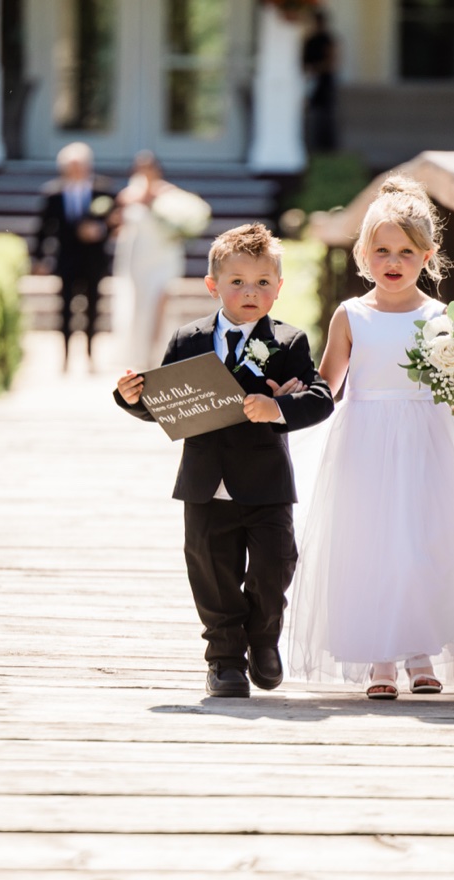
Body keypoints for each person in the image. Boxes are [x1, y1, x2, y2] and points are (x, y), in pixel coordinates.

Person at [284, 177, 454, 699]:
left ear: (428, 255)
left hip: (426, 444)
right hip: (365, 442)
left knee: (424, 544)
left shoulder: (440, 318)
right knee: (372, 545)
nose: (392, 261)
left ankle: (422, 655)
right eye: (381, 250)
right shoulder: (351, 315)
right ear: (362, 254)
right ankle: (379, 659)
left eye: (405, 251)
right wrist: (290, 392)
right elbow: (328, 385)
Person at [113, 224, 335, 699]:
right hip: (205, 481)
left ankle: (263, 637)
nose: (249, 292)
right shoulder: (187, 339)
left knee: (275, 565)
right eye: (237, 282)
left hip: (267, 481)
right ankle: (225, 660)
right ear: (213, 286)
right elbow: (167, 403)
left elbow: (320, 398)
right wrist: (130, 397)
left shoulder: (288, 342)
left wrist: (278, 408)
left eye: (261, 283)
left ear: (278, 289)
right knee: (211, 571)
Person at [112, 152, 202, 369]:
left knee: (160, 302)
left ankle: (157, 352)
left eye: (149, 167)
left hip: (163, 258)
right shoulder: (127, 196)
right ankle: (138, 353)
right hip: (138, 258)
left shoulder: (170, 194)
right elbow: (116, 226)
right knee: (139, 305)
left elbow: (186, 222)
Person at [36, 142, 116, 370]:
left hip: (93, 259)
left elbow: (115, 220)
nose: (77, 170)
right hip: (66, 258)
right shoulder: (53, 193)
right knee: (64, 308)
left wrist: (100, 230)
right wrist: (39, 258)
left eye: (81, 165)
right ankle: (66, 356)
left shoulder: (103, 190)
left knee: (93, 307)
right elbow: (44, 228)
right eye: (72, 166)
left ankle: (91, 354)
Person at [301, 11, 340, 152]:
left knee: (326, 119)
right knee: (311, 118)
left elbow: (332, 62)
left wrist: (316, 69)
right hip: (310, 83)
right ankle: (312, 148)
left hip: (325, 84)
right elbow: (303, 63)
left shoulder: (328, 40)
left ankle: (327, 150)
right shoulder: (310, 41)